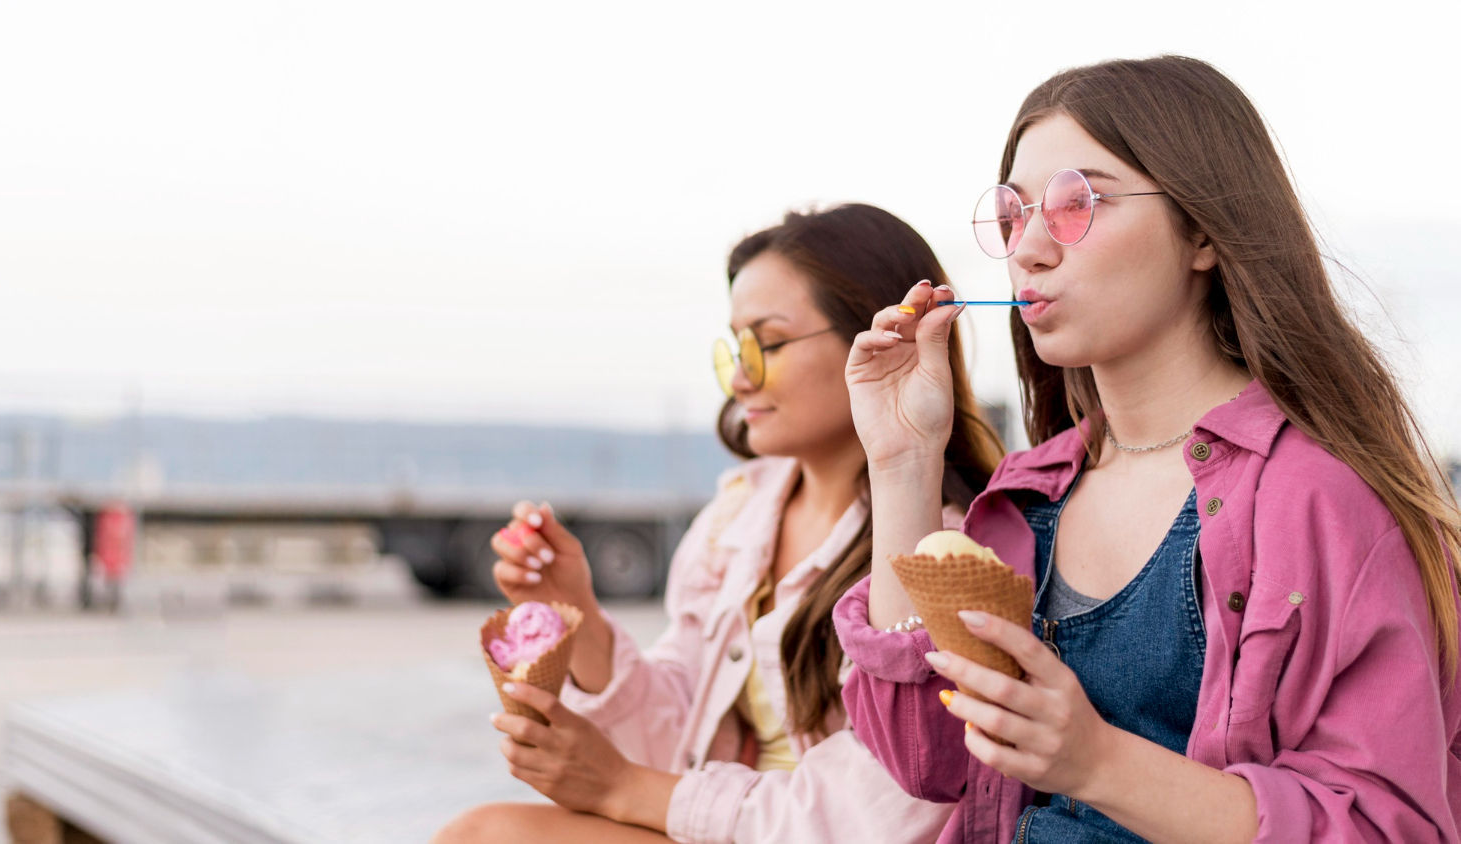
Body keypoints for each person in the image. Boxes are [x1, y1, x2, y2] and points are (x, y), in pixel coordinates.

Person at [834, 56, 1461, 843]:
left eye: (1075, 205)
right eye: (1014, 215)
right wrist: (901, 463)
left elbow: (1387, 826)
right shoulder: (1029, 496)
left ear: (1201, 231)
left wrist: (1097, 763)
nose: (1027, 247)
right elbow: (928, 763)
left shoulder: (1322, 498)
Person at [432, 204, 1005, 844]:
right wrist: (579, 613)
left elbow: (875, 813)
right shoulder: (738, 511)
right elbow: (678, 734)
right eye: (736, 347)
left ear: (883, 336)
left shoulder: (950, 545)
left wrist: (620, 786)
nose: (739, 377)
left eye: (769, 343)